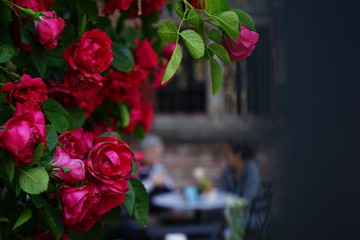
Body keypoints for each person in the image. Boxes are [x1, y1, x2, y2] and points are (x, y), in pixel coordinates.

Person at [138, 134, 174, 213]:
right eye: (152, 153)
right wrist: (151, 182)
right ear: (143, 152)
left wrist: (165, 180)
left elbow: (171, 187)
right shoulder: (136, 168)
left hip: (162, 209)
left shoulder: (159, 167)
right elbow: (137, 194)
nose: (156, 156)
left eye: (159, 153)